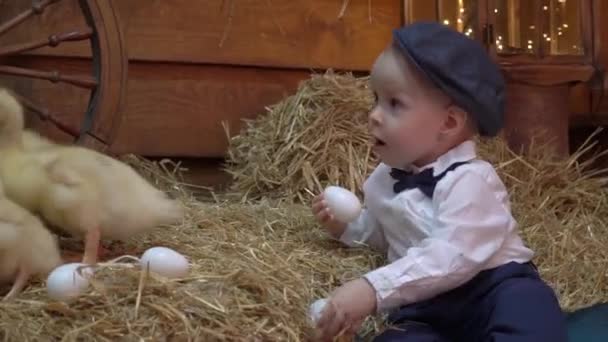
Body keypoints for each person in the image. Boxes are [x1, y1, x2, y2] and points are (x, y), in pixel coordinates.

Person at [311, 22, 567, 342]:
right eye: (375, 99)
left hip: (490, 288)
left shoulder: (472, 180)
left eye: (394, 104)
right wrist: (348, 228)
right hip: (422, 304)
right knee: (398, 338)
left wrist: (372, 289)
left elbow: (452, 256)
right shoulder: (382, 180)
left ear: (447, 123)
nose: (374, 115)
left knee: (529, 308)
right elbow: (387, 236)